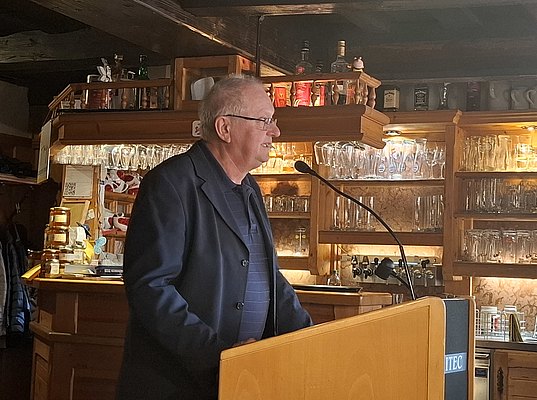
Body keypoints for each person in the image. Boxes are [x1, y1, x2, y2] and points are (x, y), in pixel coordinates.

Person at [116, 74, 313, 400]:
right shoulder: (171, 184)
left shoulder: (250, 189)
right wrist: (217, 356)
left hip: (239, 381)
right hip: (177, 384)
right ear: (225, 128)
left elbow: (268, 276)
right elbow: (151, 288)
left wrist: (310, 339)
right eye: (264, 120)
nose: (275, 132)